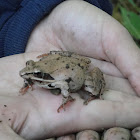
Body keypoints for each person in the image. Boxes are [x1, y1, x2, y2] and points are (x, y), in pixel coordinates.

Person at [0, 0, 140, 140]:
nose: (25, 73)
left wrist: (65, 98)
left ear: (41, 75)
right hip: (63, 63)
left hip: (79, 74)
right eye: (30, 66)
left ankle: (95, 94)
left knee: (92, 89)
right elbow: (29, 74)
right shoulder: (36, 74)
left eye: (36, 74)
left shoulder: (53, 79)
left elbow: (64, 85)